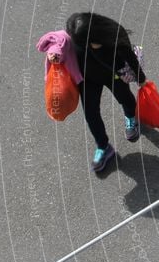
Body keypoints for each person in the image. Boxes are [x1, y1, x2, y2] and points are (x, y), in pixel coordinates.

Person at [61, 13, 146, 172]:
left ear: (93, 37)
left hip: (113, 74)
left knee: (124, 97)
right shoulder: (76, 34)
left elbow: (130, 58)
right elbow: (58, 44)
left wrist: (141, 78)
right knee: (91, 114)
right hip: (87, 79)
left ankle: (131, 117)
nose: (73, 41)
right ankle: (103, 146)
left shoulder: (114, 37)